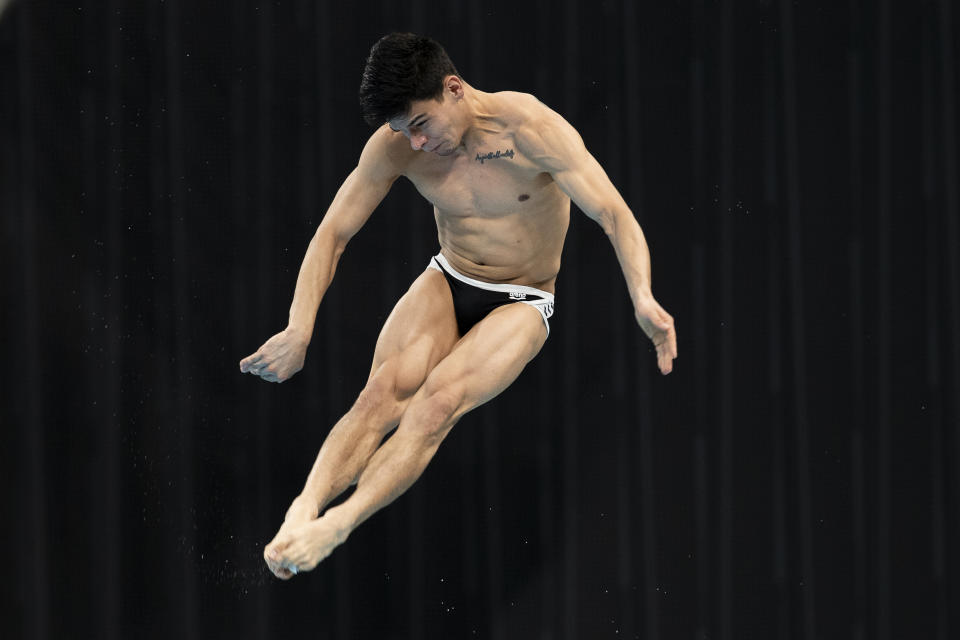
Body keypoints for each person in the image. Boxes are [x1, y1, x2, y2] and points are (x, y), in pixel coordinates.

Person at [239, 32, 677, 579]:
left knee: (434, 406)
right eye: (403, 131)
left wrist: (642, 294)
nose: (415, 144)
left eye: (420, 125)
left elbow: (612, 212)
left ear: (453, 88)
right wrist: (298, 328)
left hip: (523, 297)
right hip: (449, 277)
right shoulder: (395, 146)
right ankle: (303, 510)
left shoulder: (530, 128)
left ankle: (337, 526)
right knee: (378, 396)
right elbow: (333, 233)